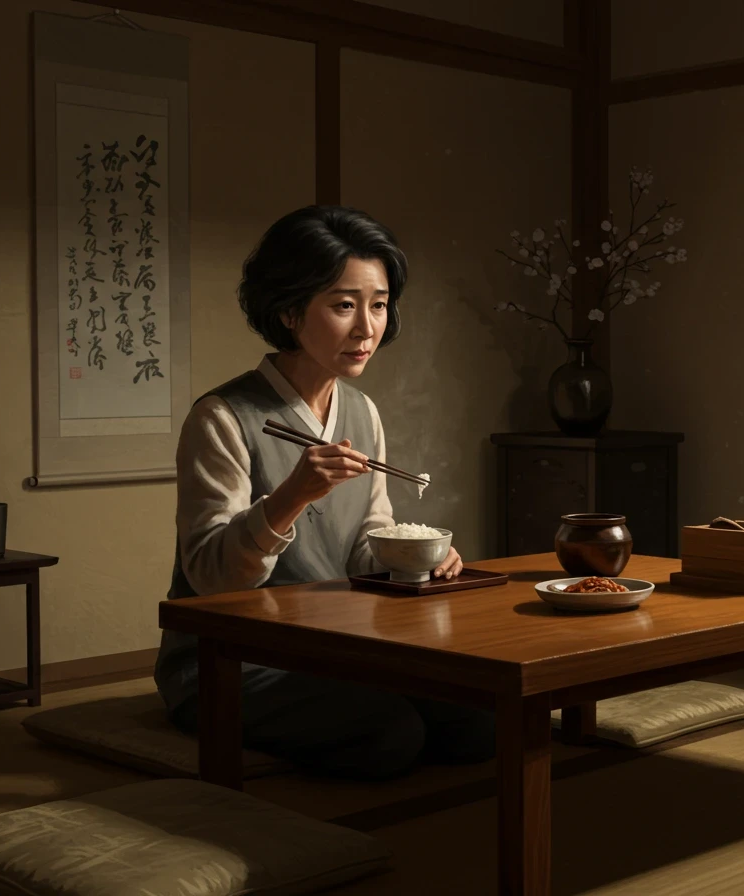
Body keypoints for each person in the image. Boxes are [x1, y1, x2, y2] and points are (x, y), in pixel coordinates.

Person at [154, 205, 496, 779]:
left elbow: (366, 545)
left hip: (331, 647)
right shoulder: (223, 416)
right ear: (289, 310)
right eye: (343, 305)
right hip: (230, 659)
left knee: (480, 720)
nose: (367, 328)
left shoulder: (361, 411)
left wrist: (416, 559)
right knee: (392, 734)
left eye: (379, 304)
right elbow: (213, 576)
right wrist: (292, 494)